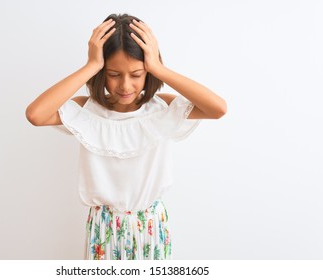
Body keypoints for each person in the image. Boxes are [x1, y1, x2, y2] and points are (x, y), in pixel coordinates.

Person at [26, 13, 226, 260]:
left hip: (151, 226)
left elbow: (218, 108)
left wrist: (159, 68)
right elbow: (36, 114)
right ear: (101, 72)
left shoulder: (160, 109)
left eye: (136, 73)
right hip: (104, 228)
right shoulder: (87, 111)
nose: (125, 86)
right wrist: (90, 66)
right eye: (113, 74)